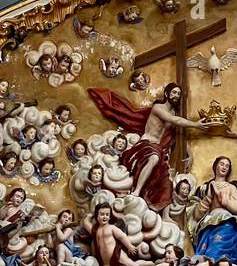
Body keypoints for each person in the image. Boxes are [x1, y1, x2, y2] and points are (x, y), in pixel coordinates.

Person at [88, 81, 210, 209]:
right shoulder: (158, 108)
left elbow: (178, 135)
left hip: (158, 147)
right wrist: (196, 124)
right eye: (174, 92)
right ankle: (137, 191)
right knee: (154, 158)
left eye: (179, 94)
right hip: (146, 143)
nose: (176, 96)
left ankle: (165, 215)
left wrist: (189, 154)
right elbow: (174, 120)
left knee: (166, 178)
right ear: (167, 94)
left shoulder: (174, 113)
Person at [192, 157, 237, 264]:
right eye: (222, 164)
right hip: (209, 224)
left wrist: (224, 201)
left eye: (227, 166)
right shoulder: (205, 188)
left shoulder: (231, 187)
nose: (224, 167)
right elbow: (197, 216)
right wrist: (208, 198)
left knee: (218, 247)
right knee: (206, 251)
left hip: (226, 223)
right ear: (215, 166)